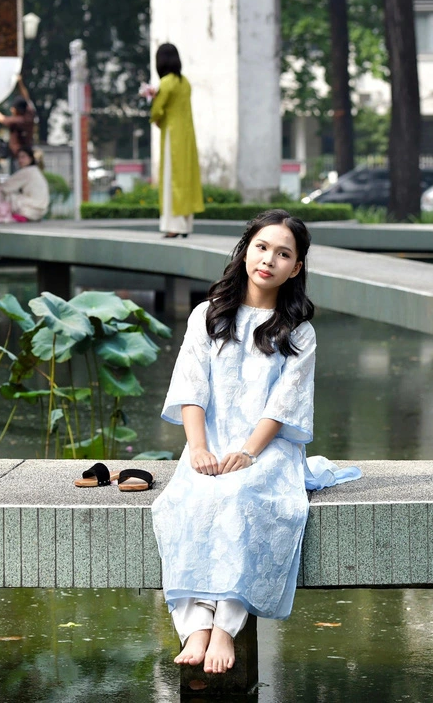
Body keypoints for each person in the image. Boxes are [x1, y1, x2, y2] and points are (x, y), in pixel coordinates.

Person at [151, 210, 360, 674]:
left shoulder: (299, 333)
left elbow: (283, 408)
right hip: (210, 439)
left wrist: (247, 452)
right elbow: (191, 387)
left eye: (283, 253)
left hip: (269, 447)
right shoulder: (208, 316)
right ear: (246, 249)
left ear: (297, 267)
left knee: (244, 495)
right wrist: (199, 448)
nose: (269, 260)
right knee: (182, 501)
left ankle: (225, 625)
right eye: (262, 247)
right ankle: (195, 628)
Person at [143, 43, 203, 238]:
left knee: (171, 179)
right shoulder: (184, 82)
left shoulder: (166, 83)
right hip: (187, 135)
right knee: (186, 179)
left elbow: (158, 110)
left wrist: (152, 99)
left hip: (172, 136)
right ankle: (186, 225)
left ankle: (174, 227)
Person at [0, 75, 36, 170]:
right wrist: (20, 82)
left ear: (17, 110)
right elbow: (26, 97)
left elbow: (1, 118)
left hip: (17, 155)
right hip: (28, 151)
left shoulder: (17, 121)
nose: (11, 110)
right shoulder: (30, 114)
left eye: (13, 109)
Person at [0, 146, 50, 222]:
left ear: (30, 158)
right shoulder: (35, 170)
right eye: (18, 158)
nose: (20, 160)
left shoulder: (27, 171)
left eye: (23, 157)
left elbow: (5, 187)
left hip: (31, 208)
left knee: (6, 195)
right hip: (41, 210)